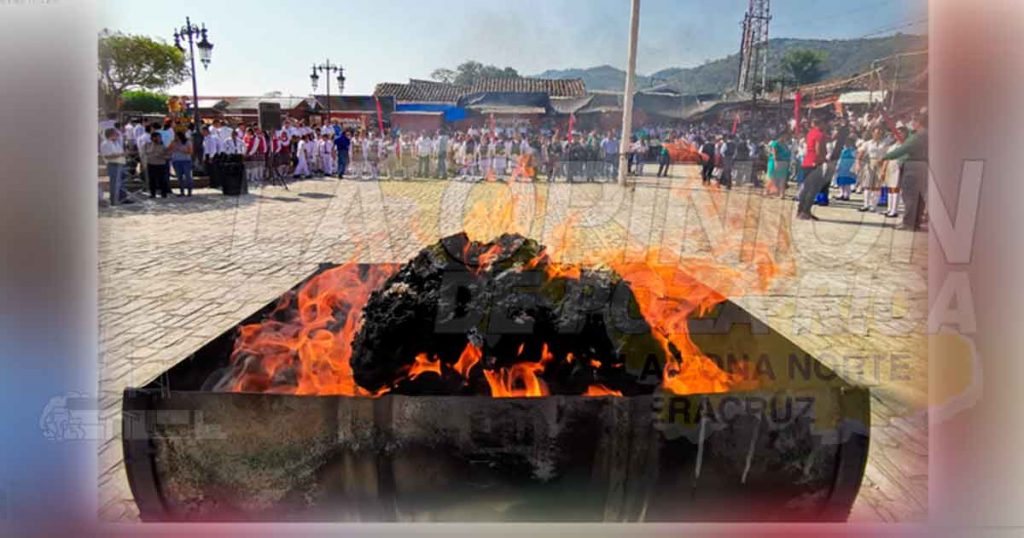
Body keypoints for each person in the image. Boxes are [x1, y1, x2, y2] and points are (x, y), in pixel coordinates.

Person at [884, 114, 928, 230]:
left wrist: (885, 157)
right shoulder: (929, 135)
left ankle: (908, 222)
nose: (912, 123)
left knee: (910, 196)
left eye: (914, 121)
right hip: (925, 166)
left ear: (919, 123)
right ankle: (916, 222)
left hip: (913, 166)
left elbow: (903, 149)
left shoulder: (917, 136)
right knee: (919, 198)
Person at [796, 117, 829, 220]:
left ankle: (801, 210)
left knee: (806, 188)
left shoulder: (810, 133)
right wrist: (823, 159)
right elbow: (818, 149)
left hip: (807, 161)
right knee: (812, 189)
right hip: (815, 162)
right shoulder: (819, 134)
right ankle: (805, 211)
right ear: (822, 123)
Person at [857, 127, 888, 213]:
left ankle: (873, 205)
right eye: (876, 132)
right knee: (867, 184)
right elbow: (861, 153)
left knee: (877, 186)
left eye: (879, 133)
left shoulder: (885, 143)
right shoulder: (868, 143)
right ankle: (866, 204)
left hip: (880, 163)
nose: (878, 134)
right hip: (870, 162)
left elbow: (888, 155)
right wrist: (858, 163)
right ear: (872, 133)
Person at [99, 128, 131, 205]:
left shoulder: (115, 143)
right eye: (116, 134)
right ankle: (114, 200)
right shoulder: (106, 143)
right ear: (111, 134)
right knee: (115, 183)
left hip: (120, 164)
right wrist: (121, 154)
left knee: (121, 183)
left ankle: (123, 198)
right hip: (113, 165)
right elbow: (107, 156)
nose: (117, 135)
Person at [766, 131, 792, 198]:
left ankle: (782, 193)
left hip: (784, 162)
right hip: (776, 161)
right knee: (772, 177)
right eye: (785, 136)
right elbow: (774, 154)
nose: (786, 137)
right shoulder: (775, 143)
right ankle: (767, 190)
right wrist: (775, 162)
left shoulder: (785, 145)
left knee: (782, 178)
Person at [167, 131, 194, 197]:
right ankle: (182, 191)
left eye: (176, 136)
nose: (175, 138)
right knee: (179, 177)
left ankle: (189, 191)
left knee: (188, 176)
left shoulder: (187, 142)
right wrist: (172, 144)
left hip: (186, 161)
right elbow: (168, 149)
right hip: (176, 161)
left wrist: (181, 149)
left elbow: (190, 151)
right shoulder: (174, 142)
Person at [144, 131, 170, 198]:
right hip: (151, 164)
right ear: (153, 138)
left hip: (160, 164)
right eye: (158, 137)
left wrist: (161, 156)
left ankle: (163, 193)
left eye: (160, 137)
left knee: (162, 179)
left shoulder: (163, 146)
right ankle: (153, 193)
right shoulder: (148, 144)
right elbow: (145, 153)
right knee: (152, 179)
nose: (160, 139)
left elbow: (168, 156)